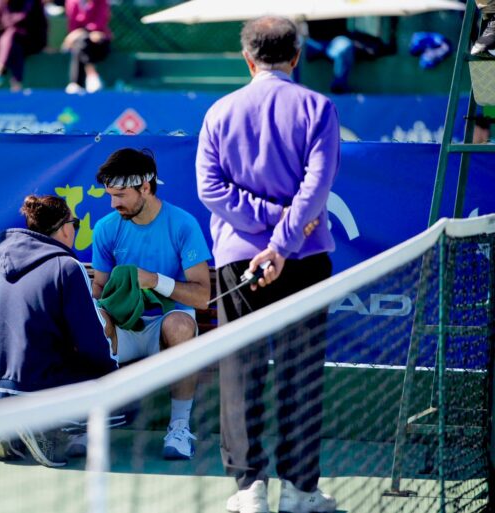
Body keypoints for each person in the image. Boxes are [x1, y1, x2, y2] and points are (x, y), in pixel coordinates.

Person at [196, 16, 339, 513]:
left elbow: (210, 189)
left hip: (239, 261)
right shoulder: (319, 107)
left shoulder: (219, 111)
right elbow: (316, 190)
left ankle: (248, 488)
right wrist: (282, 238)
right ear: (296, 57)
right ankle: (299, 491)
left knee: (241, 370)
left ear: (247, 59)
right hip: (305, 256)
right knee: (302, 373)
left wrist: (268, 235)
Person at [0, 195, 118, 464]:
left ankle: (9, 428)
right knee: (126, 400)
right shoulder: (68, 267)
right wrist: (113, 370)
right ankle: (42, 426)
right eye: (75, 223)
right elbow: (91, 343)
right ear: (64, 229)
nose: (75, 229)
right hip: (31, 383)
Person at [92, 148, 212, 460]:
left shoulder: (183, 224)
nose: (113, 204)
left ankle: (180, 427)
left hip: (166, 328)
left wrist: (155, 280)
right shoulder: (106, 227)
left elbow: (202, 297)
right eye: (110, 196)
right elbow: (99, 288)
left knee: (180, 324)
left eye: (120, 195)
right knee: (89, 321)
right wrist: (98, 313)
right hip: (123, 329)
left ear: (145, 187)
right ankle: (86, 424)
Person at [0, 0, 48, 92]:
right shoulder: (0, 2)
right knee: (13, 43)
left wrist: (45, 45)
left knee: (12, 34)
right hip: (9, 44)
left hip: (31, 42)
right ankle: (16, 83)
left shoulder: (33, 2)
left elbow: (40, 24)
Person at [62, 0, 111, 94]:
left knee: (81, 43)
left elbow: (100, 21)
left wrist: (88, 32)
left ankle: (76, 83)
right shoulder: (72, 2)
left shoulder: (101, 2)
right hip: (80, 40)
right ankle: (91, 73)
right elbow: (73, 24)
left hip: (99, 42)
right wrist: (82, 33)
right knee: (82, 41)